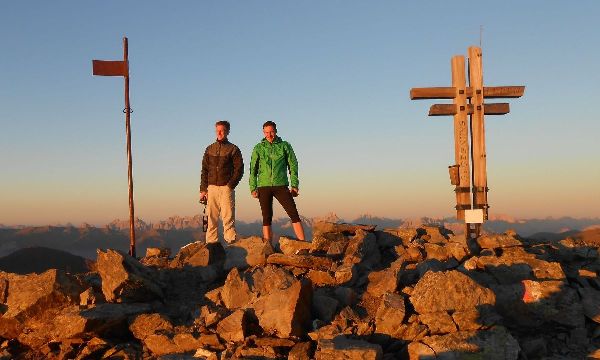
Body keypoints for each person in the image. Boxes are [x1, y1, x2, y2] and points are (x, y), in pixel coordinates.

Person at [249, 121, 305, 241]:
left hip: (281, 185)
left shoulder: (285, 145)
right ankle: (267, 247)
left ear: (276, 131)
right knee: (266, 217)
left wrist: (294, 185)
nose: (269, 135)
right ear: (263, 133)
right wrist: (253, 187)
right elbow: (252, 169)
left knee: (293, 213)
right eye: (266, 132)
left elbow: (293, 165)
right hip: (263, 186)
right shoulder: (258, 148)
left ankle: (303, 243)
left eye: (272, 132)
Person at [199, 120, 244, 244]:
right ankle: (211, 246)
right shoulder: (209, 149)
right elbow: (204, 170)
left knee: (228, 219)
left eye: (222, 130)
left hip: (226, 188)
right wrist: (203, 190)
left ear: (228, 131)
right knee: (211, 219)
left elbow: (239, 169)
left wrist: (230, 185)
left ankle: (231, 245)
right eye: (217, 130)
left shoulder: (233, 149)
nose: (219, 133)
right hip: (211, 188)